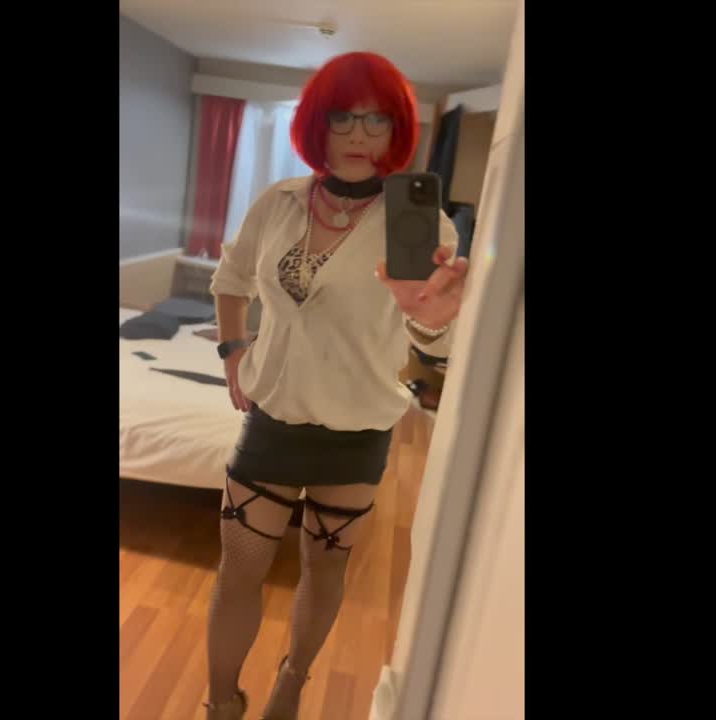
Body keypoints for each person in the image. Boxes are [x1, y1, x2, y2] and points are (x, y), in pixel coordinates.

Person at [203, 51, 470, 720]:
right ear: (317, 126)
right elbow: (230, 280)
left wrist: (435, 323)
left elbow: (431, 341)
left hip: (357, 428)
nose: (358, 135)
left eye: (377, 121)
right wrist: (234, 352)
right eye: (342, 118)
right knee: (239, 568)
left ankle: (292, 683)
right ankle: (222, 701)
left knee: (325, 569)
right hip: (273, 420)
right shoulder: (279, 202)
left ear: (397, 131)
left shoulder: (413, 218)